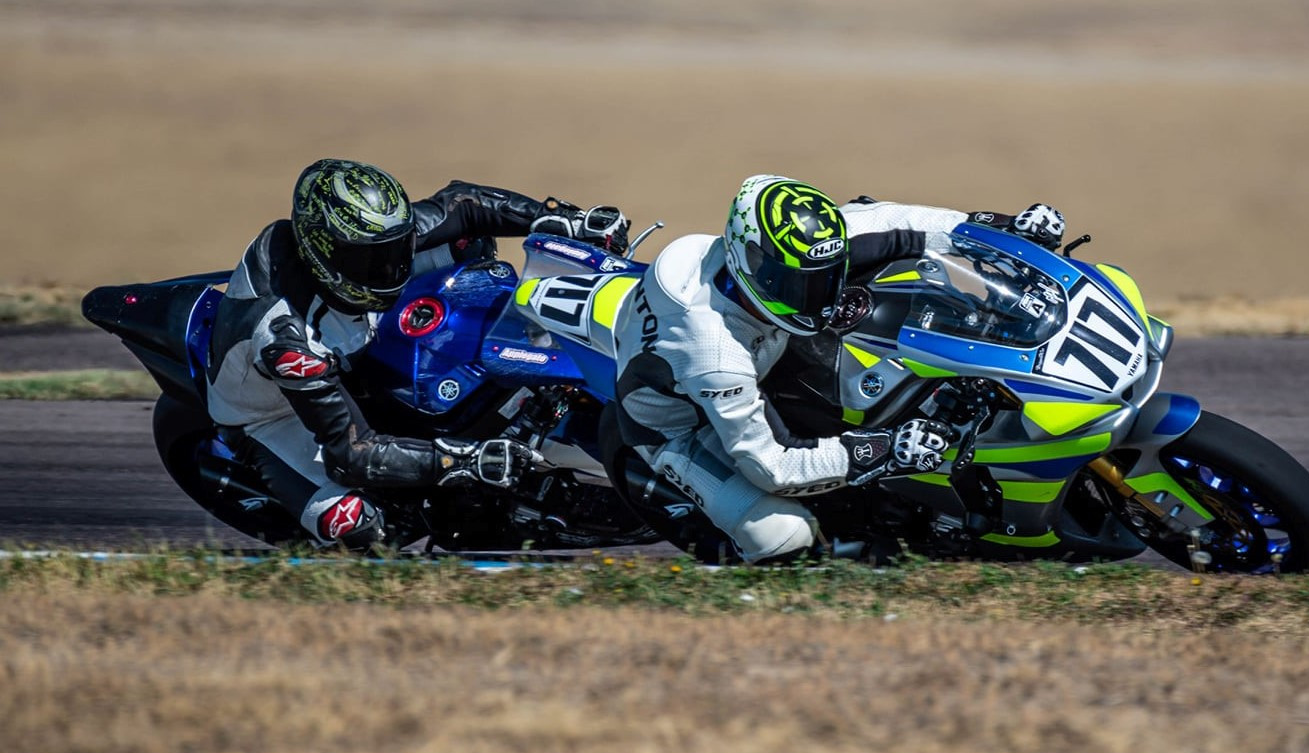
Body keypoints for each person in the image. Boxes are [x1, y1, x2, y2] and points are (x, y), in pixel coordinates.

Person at [611, 174, 1064, 562]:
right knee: (783, 537)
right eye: (801, 284)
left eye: (828, 276)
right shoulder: (714, 352)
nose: (823, 296)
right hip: (682, 426)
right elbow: (773, 465)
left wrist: (1003, 230)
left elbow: (900, 224)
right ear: (752, 261)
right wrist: (889, 451)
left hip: (768, 347)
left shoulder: (801, 247)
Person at [206, 158, 629, 548]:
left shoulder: (368, 243)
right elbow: (353, 454)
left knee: (468, 246)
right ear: (324, 252)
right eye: (375, 258)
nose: (392, 263)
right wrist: (460, 459)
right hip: (273, 415)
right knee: (362, 530)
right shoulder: (286, 341)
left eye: (396, 247)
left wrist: (561, 219)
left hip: (353, 328)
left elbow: (463, 204)